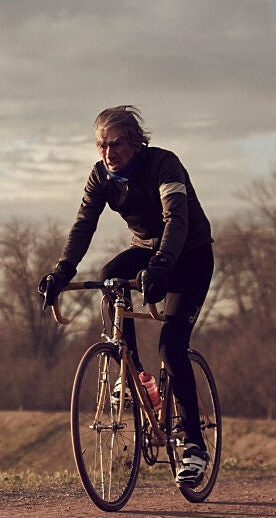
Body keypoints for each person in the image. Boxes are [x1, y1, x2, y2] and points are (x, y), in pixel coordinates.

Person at [39, 105, 215, 486]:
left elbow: (176, 220)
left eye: (115, 143)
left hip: (190, 255)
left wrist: (162, 265)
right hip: (148, 252)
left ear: (136, 142)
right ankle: (133, 374)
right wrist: (62, 271)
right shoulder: (101, 176)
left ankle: (194, 446)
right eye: (101, 145)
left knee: (171, 345)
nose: (108, 153)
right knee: (109, 277)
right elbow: (84, 225)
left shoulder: (164, 165)